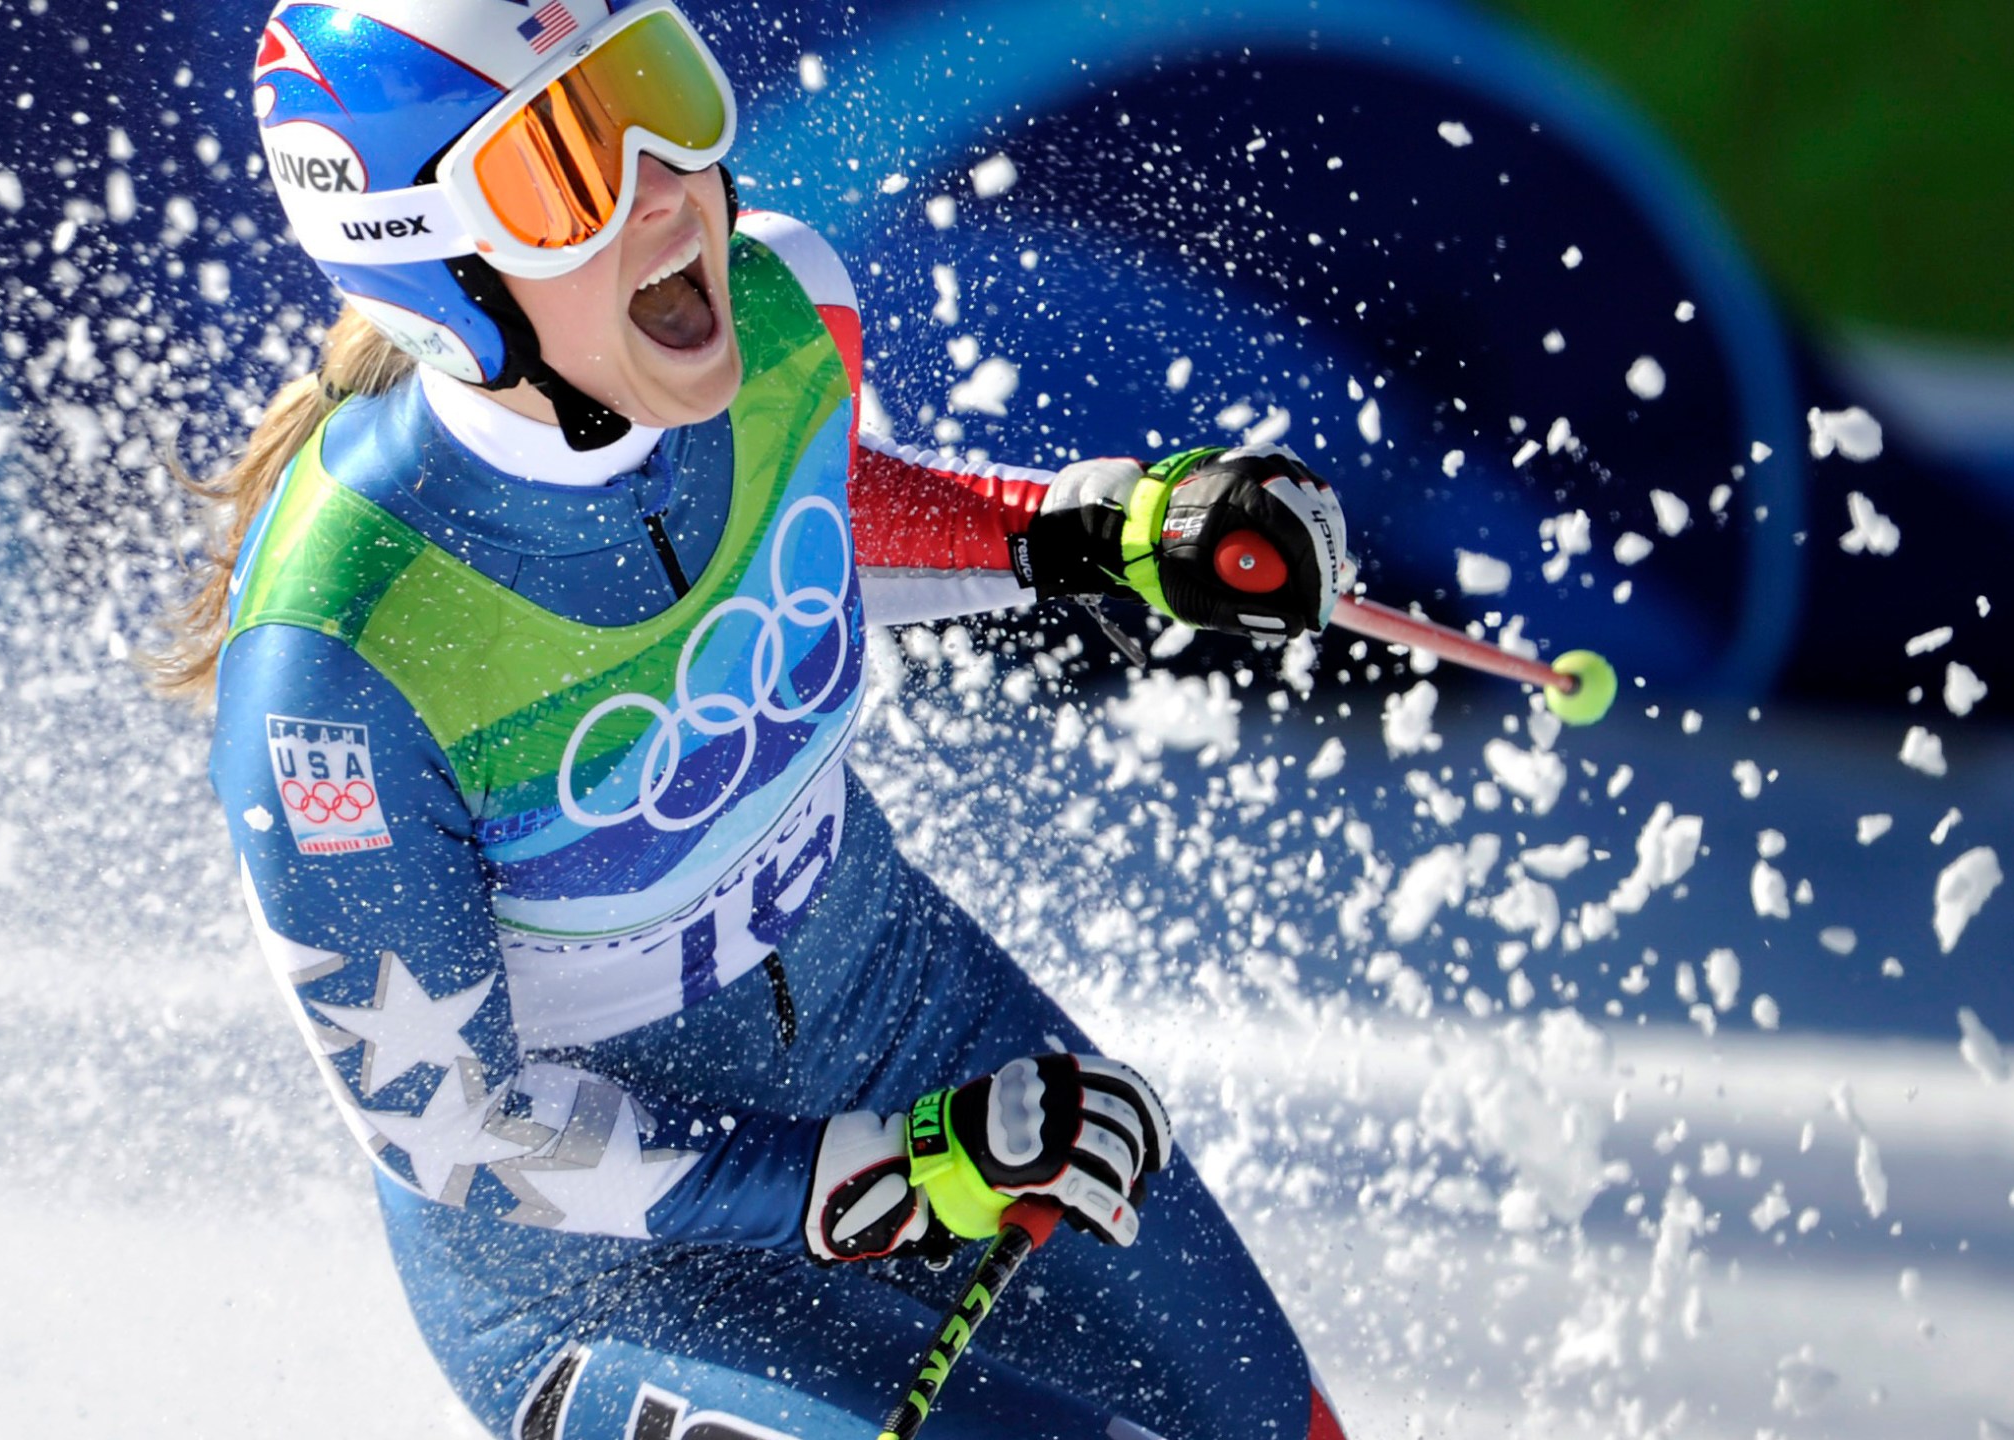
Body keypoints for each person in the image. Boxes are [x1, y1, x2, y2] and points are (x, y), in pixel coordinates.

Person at [154, 3, 1353, 1435]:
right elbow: (445, 1119)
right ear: (437, 274)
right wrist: (863, 1176)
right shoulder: (336, 663)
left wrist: (1084, 530)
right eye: (568, 161)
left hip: (914, 1032)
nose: (668, 186)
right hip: (611, 1273)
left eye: (657, 88)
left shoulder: (785, 307)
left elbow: (817, 513)